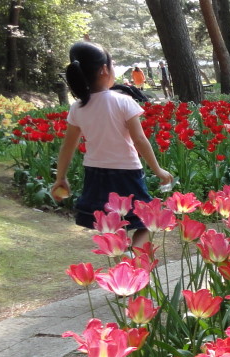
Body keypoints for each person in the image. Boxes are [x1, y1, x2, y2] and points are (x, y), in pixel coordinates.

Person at [54, 42, 172, 248]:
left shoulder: (78, 108)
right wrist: (158, 170)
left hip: (95, 174)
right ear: (104, 69)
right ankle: (133, 258)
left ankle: (121, 260)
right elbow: (140, 140)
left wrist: (60, 177)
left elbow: (68, 146)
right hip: (127, 173)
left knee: (109, 223)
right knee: (147, 220)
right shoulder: (123, 101)